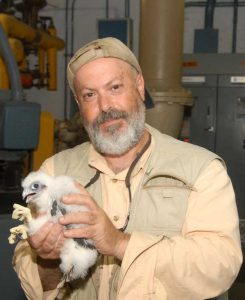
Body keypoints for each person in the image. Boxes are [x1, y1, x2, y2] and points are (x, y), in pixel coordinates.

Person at [13, 37, 242, 300]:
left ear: (140, 86)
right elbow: (33, 286)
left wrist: (120, 243)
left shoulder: (202, 170)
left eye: (115, 87)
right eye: (90, 95)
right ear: (78, 103)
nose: (105, 107)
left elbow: (219, 266)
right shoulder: (54, 173)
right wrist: (48, 260)